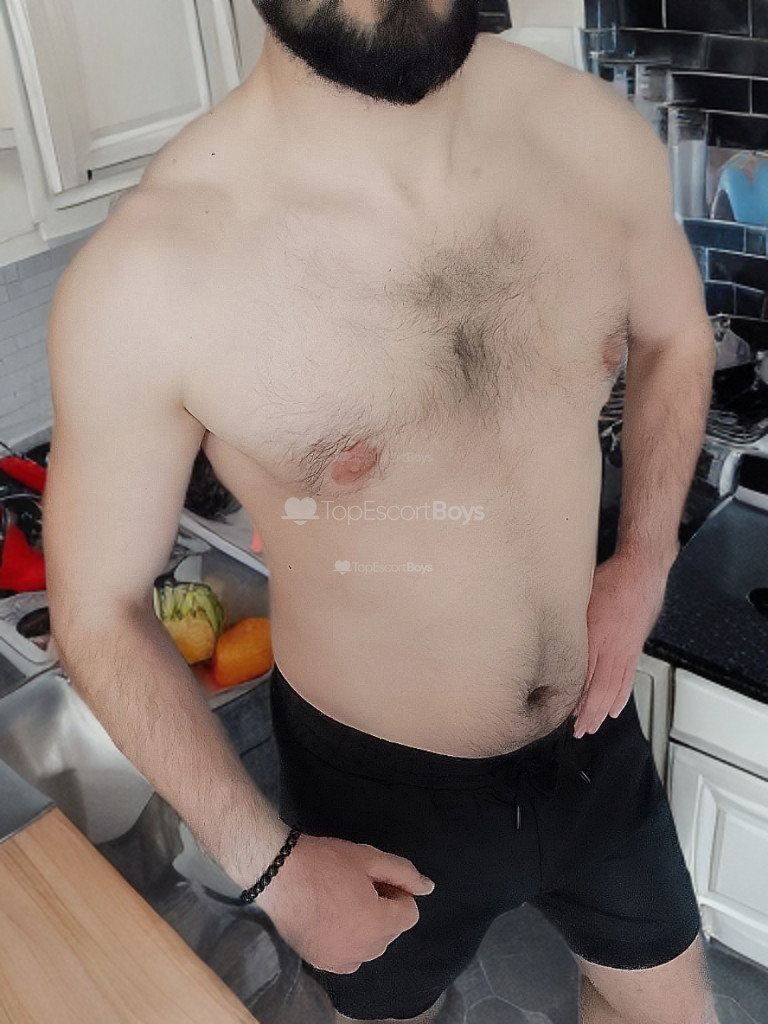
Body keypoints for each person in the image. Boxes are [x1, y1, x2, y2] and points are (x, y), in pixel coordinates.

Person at [43, 2, 721, 1022]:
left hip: (595, 734)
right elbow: (96, 609)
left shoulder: (591, 135)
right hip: (375, 795)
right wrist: (272, 870)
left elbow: (677, 338)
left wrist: (643, 562)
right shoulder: (150, 278)